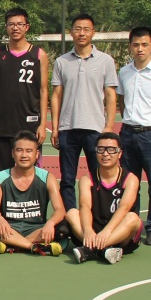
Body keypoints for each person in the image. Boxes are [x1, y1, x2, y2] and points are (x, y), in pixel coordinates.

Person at [49, 13, 117, 210]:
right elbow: (56, 96)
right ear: (71, 33)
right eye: (77, 29)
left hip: (95, 129)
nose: (81, 33)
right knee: (67, 179)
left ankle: (97, 215)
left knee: (98, 177)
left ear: (93, 33)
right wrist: (55, 128)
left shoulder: (106, 61)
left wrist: (109, 127)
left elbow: (110, 95)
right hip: (68, 128)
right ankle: (70, 216)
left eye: (86, 29)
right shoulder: (62, 61)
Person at [115, 26, 151, 246]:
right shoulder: (124, 72)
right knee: (130, 184)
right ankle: (133, 226)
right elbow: (122, 101)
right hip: (128, 134)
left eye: (144, 45)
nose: (140, 49)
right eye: (136, 45)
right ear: (130, 47)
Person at [0, 130, 65, 256]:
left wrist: (50, 223)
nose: (24, 155)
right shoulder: (0, 177)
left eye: (29, 151)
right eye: (19, 150)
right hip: (9, 228)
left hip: (37, 229)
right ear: (12, 153)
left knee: (63, 228)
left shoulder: (47, 178)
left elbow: (60, 209)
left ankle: (13, 245)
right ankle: (32, 246)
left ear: (37, 154)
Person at [63, 132, 143, 264]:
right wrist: (88, 229)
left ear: (119, 153)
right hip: (94, 231)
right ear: (96, 152)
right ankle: (104, 250)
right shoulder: (87, 179)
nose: (105, 154)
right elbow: (85, 206)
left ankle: (91, 249)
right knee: (71, 213)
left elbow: (124, 208)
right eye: (101, 149)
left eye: (111, 150)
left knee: (133, 218)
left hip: (119, 232)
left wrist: (107, 231)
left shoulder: (130, 179)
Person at [0, 7, 50, 172]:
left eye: (20, 24)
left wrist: (42, 124)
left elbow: (43, 91)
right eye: (11, 24)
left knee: (30, 172)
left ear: (27, 27)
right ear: (6, 27)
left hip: (29, 124)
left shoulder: (39, 55)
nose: (15, 28)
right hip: (2, 124)